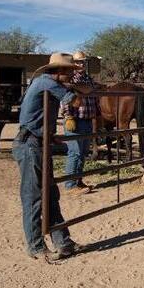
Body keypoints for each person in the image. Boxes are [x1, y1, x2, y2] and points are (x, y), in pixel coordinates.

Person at [13, 52, 89, 262]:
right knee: (34, 196)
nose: (71, 75)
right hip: (30, 144)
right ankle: (36, 246)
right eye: (69, 71)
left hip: (38, 141)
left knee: (50, 194)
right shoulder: (46, 82)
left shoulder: (46, 83)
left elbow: (40, 114)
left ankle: (63, 242)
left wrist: (50, 135)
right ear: (60, 71)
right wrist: (83, 90)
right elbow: (75, 102)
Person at [60, 51, 100, 194]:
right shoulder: (70, 79)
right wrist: (68, 116)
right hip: (75, 119)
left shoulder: (88, 79)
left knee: (82, 152)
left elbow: (93, 97)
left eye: (83, 62)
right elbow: (65, 98)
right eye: (78, 62)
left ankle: (78, 180)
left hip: (87, 119)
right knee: (75, 152)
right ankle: (70, 184)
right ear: (73, 64)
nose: (81, 64)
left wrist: (97, 113)